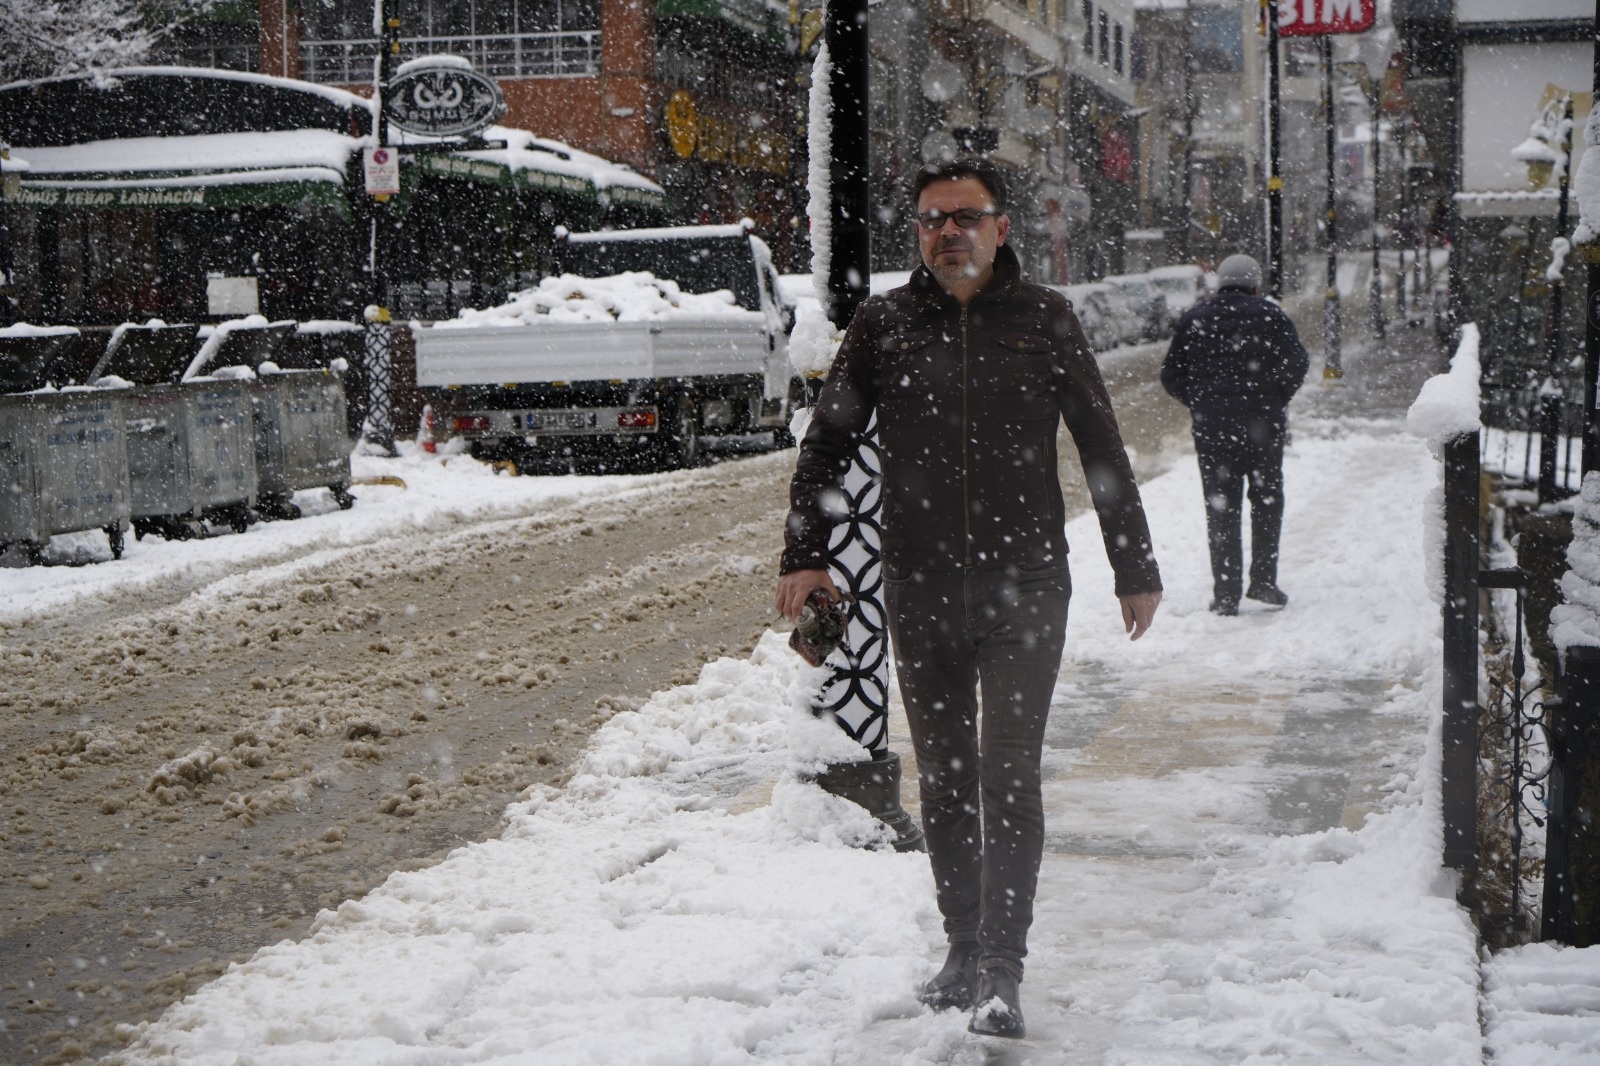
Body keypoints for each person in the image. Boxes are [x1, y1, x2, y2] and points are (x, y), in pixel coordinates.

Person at [774, 158, 1163, 1039]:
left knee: (1007, 774)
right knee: (947, 778)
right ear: (917, 232)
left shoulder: (1045, 318)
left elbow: (1101, 444)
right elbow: (826, 443)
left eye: (966, 216)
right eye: (931, 219)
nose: (948, 232)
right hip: (920, 585)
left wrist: (1133, 565)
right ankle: (960, 947)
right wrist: (805, 555)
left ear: (1001, 228)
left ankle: (1001, 969)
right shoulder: (884, 324)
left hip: (1026, 584)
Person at [1159, 253, 1309, 615]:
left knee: (1221, 509)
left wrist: (1201, 402)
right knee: (1267, 502)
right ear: (1255, 285)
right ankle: (1263, 582)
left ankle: (1226, 594)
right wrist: (1274, 397)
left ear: (1220, 283)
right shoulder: (1271, 315)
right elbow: (1297, 363)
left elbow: (1171, 374)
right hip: (1263, 431)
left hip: (1214, 433)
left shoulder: (1196, 318)